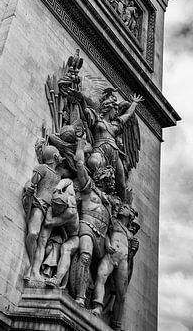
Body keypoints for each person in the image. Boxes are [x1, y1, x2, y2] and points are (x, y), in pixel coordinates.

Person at [71, 136, 115, 306]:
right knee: (85, 256)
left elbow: (110, 225)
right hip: (87, 227)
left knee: (101, 273)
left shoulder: (109, 202)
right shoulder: (88, 188)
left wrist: (109, 242)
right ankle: (80, 297)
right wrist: (80, 146)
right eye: (106, 176)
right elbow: (80, 165)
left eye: (110, 177)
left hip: (102, 239)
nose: (109, 179)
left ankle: (95, 303)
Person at [85, 88, 142, 201]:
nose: (116, 112)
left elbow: (128, 114)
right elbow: (85, 110)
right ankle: (93, 192)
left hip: (114, 153)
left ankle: (122, 206)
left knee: (121, 182)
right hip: (99, 149)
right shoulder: (97, 119)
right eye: (115, 109)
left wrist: (134, 103)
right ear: (108, 108)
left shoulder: (116, 124)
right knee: (93, 163)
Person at [91, 202, 138, 330]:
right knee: (101, 276)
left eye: (126, 208)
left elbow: (131, 254)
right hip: (111, 255)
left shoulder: (130, 234)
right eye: (122, 207)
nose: (122, 208)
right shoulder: (114, 221)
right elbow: (105, 233)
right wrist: (106, 244)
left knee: (121, 294)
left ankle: (116, 324)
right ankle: (97, 307)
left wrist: (134, 250)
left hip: (123, 261)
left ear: (131, 215)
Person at [23, 144, 62, 283]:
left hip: (51, 212)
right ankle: (30, 263)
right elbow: (31, 182)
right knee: (33, 233)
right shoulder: (42, 168)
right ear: (56, 156)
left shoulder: (59, 175)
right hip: (39, 205)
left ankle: (34, 271)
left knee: (43, 243)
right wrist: (28, 188)